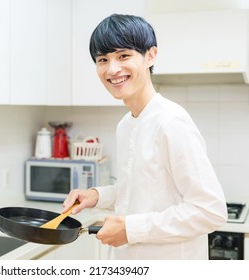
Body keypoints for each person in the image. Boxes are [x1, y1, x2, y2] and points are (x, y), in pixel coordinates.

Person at [62, 14, 228, 260]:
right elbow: (139, 190)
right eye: (103, 59)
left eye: (123, 56)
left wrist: (130, 230)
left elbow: (210, 211)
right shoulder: (126, 124)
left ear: (150, 55)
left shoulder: (171, 122)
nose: (112, 69)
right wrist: (96, 196)